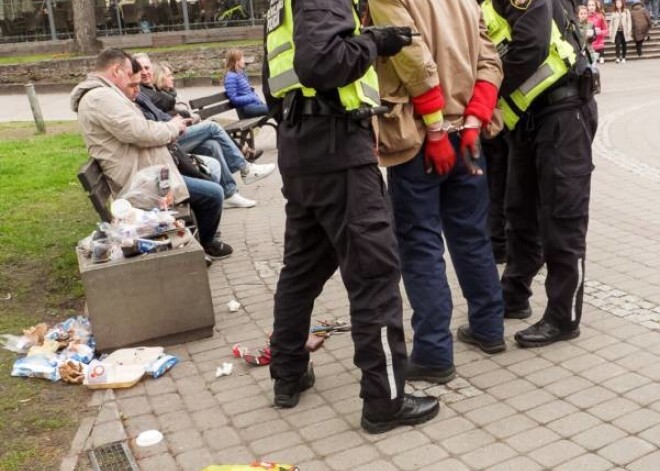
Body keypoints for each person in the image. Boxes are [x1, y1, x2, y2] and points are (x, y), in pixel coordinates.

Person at [263, 0, 439, 434]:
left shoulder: (281, 6)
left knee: (301, 270)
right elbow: (322, 63)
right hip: (338, 151)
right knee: (374, 276)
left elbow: (273, 83)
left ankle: (288, 374)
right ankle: (386, 400)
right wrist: (375, 41)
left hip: (301, 149)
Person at [370, 0, 506, 385]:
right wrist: (476, 121)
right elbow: (490, 61)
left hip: (421, 138)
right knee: (472, 236)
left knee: (421, 245)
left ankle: (432, 352)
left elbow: (409, 55)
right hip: (467, 134)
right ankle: (489, 327)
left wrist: (433, 126)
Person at [485, 0, 599, 347]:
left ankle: (564, 317)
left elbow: (530, 45)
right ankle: (515, 295)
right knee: (519, 212)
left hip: (563, 112)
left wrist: (486, 91)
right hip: (529, 117)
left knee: (563, 218)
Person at [70, 48, 231, 260]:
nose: (132, 80)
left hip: (146, 175)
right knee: (213, 194)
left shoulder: (103, 95)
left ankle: (200, 244)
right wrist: (172, 128)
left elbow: (139, 128)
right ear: (116, 70)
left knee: (208, 180)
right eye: (129, 74)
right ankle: (204, 245)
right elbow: (140, 131)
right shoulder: (100, 97)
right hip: (140, 185)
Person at [133, 56, 277, 210]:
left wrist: (180, 111)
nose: (145, 72)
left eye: (147, 68)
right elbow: (167, 104)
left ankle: (229, 194)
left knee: (212, 145)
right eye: (140, 69)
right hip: (170, 140)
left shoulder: (151, 89)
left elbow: (169, 107)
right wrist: (182, 113)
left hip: (175, 133)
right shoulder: (141, 91)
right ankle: (246, 168)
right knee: (212, 127)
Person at [224, 49, 269, 119]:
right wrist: (252, 97)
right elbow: (234, 100)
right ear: (236, 61)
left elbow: (248, 92)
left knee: (277, 108)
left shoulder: (241, 73)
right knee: (275, 109)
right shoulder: (231, 77)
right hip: (245, 110)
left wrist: (256, 99)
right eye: (242, 59)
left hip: (252, 106)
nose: (244, 61)